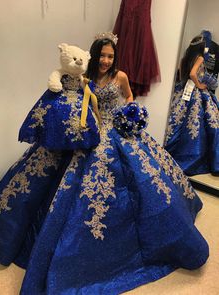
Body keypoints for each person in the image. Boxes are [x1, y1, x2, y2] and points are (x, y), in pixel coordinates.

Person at [18, 33, 208, 294]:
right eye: (103, 55)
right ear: (94, 55)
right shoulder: (84, 76)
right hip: (89, 129)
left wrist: (131, 113)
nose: (106, 60)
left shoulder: (121, 77)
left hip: (117, 128)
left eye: (111, 56)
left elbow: (129, 97)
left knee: (144, 176)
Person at [164, 35, 219, 176]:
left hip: (183, 90)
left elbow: (181, 74)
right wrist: (199, 84)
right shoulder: (200, 58)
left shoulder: (185, 58)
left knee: (178, 120)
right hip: (195, 91)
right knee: (204, 121)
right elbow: (193, 73)